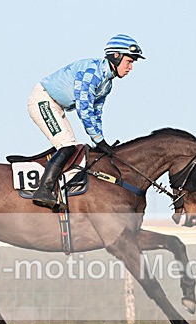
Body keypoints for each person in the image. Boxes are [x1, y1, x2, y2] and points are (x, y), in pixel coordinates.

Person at [27, 34, 145, 210]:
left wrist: (101, 139)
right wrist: (99, 140)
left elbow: (96, 113)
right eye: (129, 61)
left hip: (56, 105)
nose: (131, 67)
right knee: (67, 146)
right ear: (116, 56)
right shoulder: (92, 73)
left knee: (71, 147)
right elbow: (84, 109)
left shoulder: (107, 83)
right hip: (43, 100)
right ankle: (43, 191)